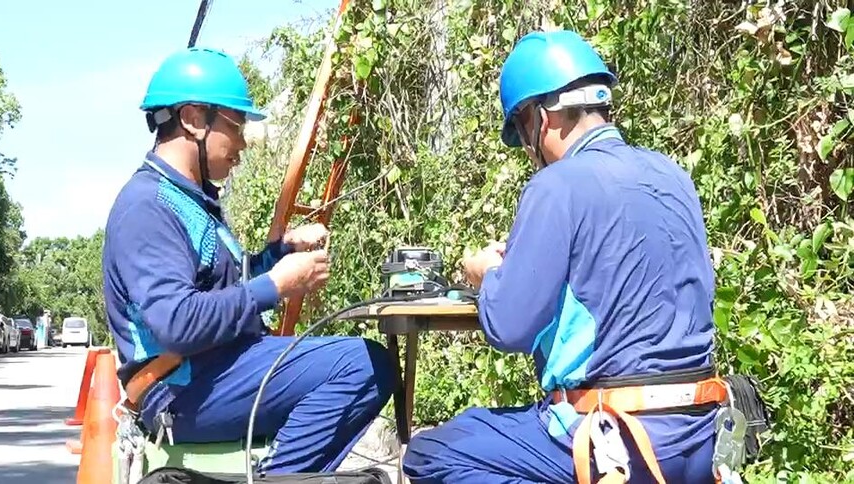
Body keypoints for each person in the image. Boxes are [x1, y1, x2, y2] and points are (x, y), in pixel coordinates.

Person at [402, 29, 724, 483]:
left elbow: (510, 327)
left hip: (618, 442)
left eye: (520, 128)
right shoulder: (674, 176)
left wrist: (486, 274)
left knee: (432, 453)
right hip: (699, 433)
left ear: (539, 118)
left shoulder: (555, 185)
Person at [101, 47, 395, 475]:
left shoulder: (193, 200)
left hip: (215, 370)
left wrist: (278, 256)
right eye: (236, 126)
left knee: (366, 363)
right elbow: (178, 323)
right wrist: (276, 284)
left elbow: (222, 290)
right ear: (193, 119)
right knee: (363, 366)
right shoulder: (148, 208)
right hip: (181, 389)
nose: (242, 144)